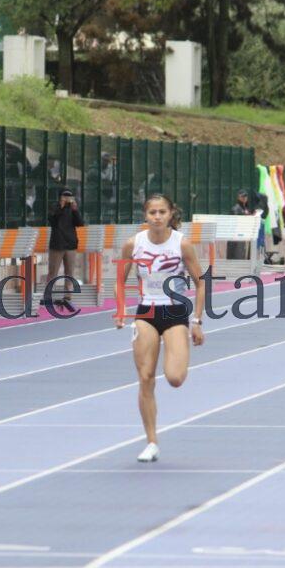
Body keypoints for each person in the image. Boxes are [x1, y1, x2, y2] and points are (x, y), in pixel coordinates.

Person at [115, 194, 205, 462]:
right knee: (146, 377)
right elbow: (119, 281)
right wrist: (120, 309)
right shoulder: (133, 244)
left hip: (175, 312)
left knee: (175, 378)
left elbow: (201, 283)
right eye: (152, 212)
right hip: (146, 312)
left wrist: (197, 321)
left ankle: (179, 351)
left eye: (162, 212)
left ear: (170, 214)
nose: (157, 217)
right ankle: (151, 441)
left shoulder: (182, 244)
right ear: (145, 215)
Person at [43, 189, 83, 314]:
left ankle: (68, 296)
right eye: (65, 196)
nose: (67, 198)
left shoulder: (73, 208)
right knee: (53, 272)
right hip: (57, 244)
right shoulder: (54, 207)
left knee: (69, 272)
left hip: (70, 244)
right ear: (60, 196)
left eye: (69, 196)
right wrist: (60, 206)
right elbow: (52, 220)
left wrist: (75, 209)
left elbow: (80, 223)